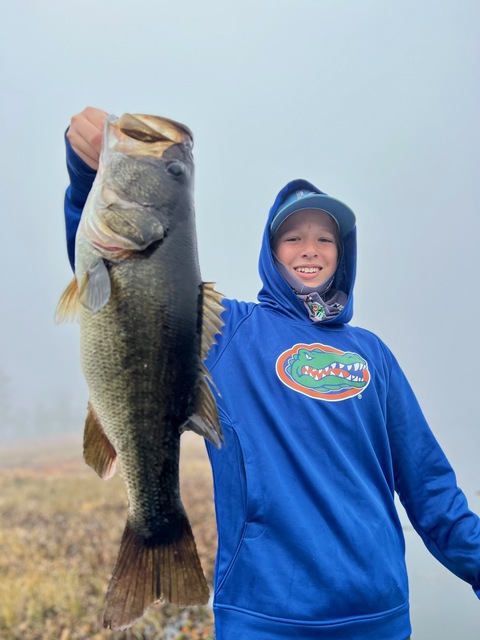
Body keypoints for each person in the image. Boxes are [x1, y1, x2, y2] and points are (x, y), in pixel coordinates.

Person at [63, 107, 480, 640]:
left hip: (378, 616)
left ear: (342, 254)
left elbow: (428, 485)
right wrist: (85, 178)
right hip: (264, 619)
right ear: (271, 252)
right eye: (293, 238)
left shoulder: (373, 354)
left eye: (325, 239)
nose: (310, 249)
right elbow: (122, 291)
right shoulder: (229, 334)